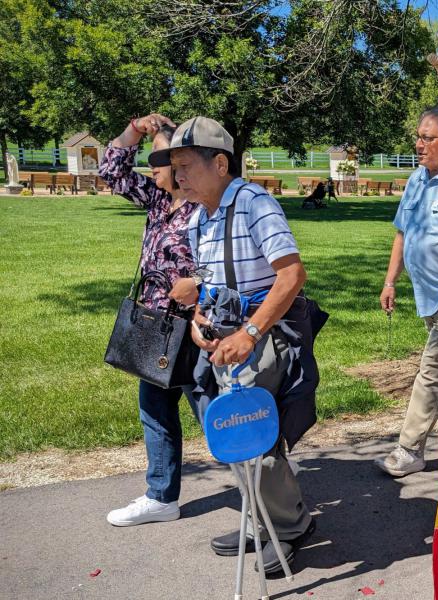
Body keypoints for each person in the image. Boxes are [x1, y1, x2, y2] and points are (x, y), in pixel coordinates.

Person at [161, 116, 319, 575]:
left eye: (186, 165)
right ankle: (260, 519)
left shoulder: (253, 202)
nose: (178, 177)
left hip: (258, 341)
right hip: (220, 345)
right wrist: (197, 319)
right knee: (231, 436)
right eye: (175, 168)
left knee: (254, 436)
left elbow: (292, 275)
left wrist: (249, 333)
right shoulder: (198, 218)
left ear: (221, 163)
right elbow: (211, 285)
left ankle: (290, 527)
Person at [99, 114, 202, 527]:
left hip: (196, 327)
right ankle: (162, 497)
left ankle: (267, 482)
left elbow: (227, 262)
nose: (151, 168)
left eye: (159, 161)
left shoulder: (203, 206)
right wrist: (135, 130)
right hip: (154, 326)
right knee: (154, 408)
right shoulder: (159, 200)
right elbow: (111, 169)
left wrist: (196, 281)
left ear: (180, 167)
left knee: (214, 412)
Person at [374, 108, 438, 477]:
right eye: (418, 136)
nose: (418, 143)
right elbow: (402, 233)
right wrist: (390, 281)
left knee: (433, 371)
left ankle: (410, 449)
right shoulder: (416, 179)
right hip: (427, 296)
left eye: (427, 137)